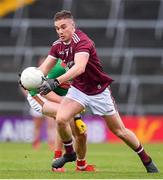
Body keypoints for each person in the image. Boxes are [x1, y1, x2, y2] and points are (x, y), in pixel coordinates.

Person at [37, 10, 159, 173]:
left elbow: (79, 68)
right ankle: (70, 153)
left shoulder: (83, 42)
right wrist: (29, 78)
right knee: (61, 119)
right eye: (57, 28)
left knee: (119, 131)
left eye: (63, 27)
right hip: (79, 90)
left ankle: (146, 159)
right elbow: (44, 68)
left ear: (72, 26)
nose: (60, 31)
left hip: (98, 91)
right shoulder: (57, 46)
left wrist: (57, 81)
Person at [20, 58, 95, 172]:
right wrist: (72, 110)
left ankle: (81, 166)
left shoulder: (83, 71)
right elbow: (44, 90)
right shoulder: (59, 68)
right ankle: (57, 160)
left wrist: (76, 114)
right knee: (62, 116)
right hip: (40, 95)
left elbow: (78, 96)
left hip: (62, 99)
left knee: (81, 134)